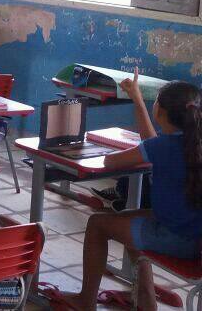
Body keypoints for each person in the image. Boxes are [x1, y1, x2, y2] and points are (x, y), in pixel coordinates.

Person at [57, 72, 202, 311]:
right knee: (127, 218)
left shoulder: (161, 147)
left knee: (97, 224)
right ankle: (146, 299)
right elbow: (152, 143)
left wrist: (102, 150)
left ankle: (85, 301)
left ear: (160, 111)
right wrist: (137, 99)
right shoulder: (191, 143)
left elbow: (109, 162)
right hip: (194, 238)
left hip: (176, 239)